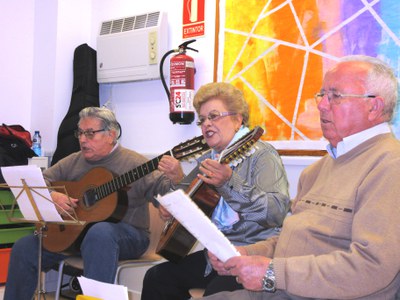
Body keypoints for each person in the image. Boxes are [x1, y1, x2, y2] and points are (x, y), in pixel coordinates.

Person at [198, 55, 400, 300]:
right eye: (322, 95)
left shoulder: (390, 166)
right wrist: (244, 254)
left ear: (374, 106)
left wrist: (272, 273)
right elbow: (289, 240)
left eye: (335, 96)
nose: (321, 105)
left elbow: (371, 267)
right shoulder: (316, 171)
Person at [4, 107, 173, 300]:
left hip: (129, 236)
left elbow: (165, 192)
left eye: (90, 133)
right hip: (77, 236)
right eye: (80, 133)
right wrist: (52, 196)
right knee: (24, 246)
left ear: (111, 135)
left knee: (100, 233)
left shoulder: (134, 162)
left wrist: (173, 184)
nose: (83, 139)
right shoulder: (74, 161)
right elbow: (39, 181)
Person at [141, 82, 291, 300]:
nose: (206, 124)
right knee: (157, 277)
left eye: (214, 116)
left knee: (217, 292)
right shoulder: (208, 159)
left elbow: (275, 213)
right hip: (214, 255)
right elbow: (189, 199)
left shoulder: (263, 155)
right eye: (202, 119)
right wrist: (171, 208)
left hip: (252, 254)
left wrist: (229, 181)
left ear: (238, 119)